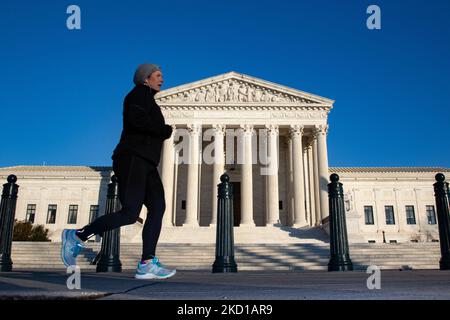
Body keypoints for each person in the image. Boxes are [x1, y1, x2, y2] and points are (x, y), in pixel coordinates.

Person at [61, 63, 176, 280]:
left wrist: (162, 131)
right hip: (132, 158)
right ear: (145, 78)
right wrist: (164, 130)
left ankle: (147, 262)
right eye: (158, 75)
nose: (162, 79)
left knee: (158, 207)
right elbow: (136, 122)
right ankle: (77, 235)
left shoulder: (149, 99)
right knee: (130, 213)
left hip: (147, 162)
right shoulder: (136, 96)